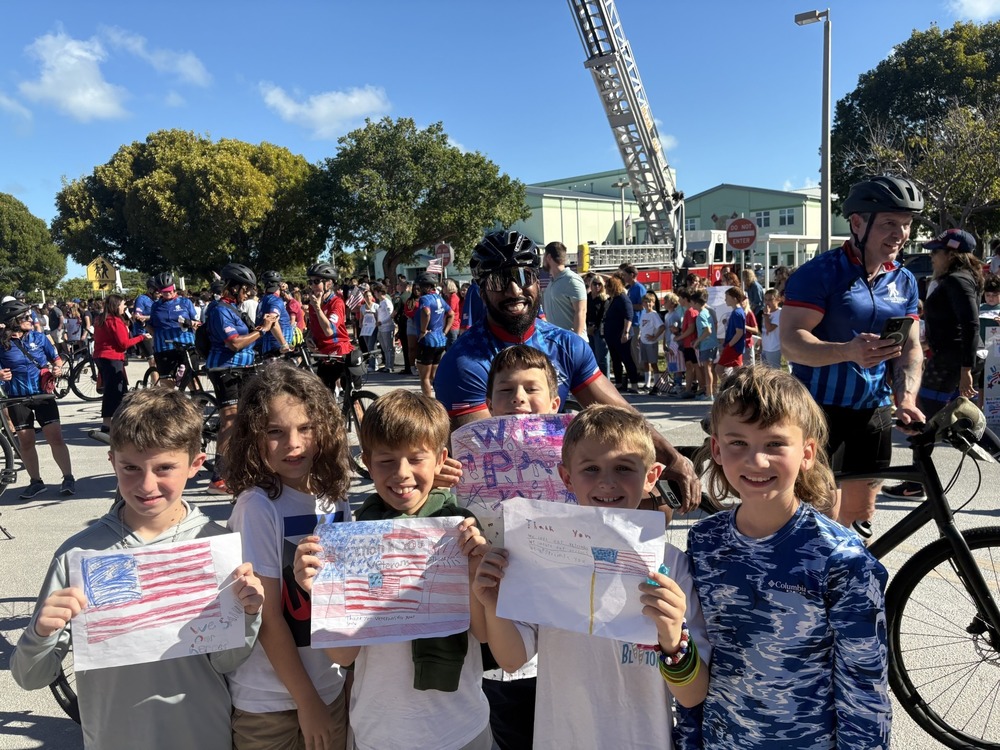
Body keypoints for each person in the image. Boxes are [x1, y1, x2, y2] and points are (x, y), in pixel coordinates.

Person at [11, 388, 265, 750]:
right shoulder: (79, 555)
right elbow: (31, 676)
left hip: (201, 734)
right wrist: (40, 632)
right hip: (113, 737)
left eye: (164, 468)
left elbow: (226, 661)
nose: (146, 484)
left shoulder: (214, 548)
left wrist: (248, 612)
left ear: (195, 465)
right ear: (112, 461)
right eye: (131, 468)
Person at [472, 405, 710, 749]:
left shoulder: (671, 566)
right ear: (566, 477)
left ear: (652, 476)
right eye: (591, 468)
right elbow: (512, 659)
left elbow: (692, 696)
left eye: (624, 468)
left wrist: (673, 640)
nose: (607, 482)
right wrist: (493, 603)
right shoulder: (542, 556)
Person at [690, 366, 890, 749]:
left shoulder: (842, 560)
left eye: (775, 444)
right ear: (716, 449)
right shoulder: (704, 544)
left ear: (807, 453)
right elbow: (698, 657)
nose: (756, 461)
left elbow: (865, 690)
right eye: (738, 443)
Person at [434, 230, 700, 510]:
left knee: (658, 506)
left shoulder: (566, 344)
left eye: (524, 277)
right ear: (481, 290)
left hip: (557, 472)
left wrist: (674, 459)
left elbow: (621, 416)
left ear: (537, 281)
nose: (514, 290)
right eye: (500, 281)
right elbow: (496, 458)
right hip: (502, 493)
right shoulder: (463, 362)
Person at [293, 389, 493, 750]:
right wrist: (318, 591)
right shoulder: (353, 537)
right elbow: (344, 655)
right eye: (386, 461)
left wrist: (475, 575)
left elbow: (483, 633)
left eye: (416, 459)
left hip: (460, 728)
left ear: (440, 459)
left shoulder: (463, 530)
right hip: (378, 730)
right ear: (367, 462)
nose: (402, 474)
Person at [781, 175, 925, 535]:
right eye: (890, 223)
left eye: (906, 224)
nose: (900, 234)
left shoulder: (904, 280)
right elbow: (792, 341)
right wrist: (847, 351)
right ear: (857, 223)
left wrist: (906, 398)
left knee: (861, 514)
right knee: (821, 513)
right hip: (818, 411)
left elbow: (910, 346)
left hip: (873, 411)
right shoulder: (820, 273)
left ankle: (852, 583)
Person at [224, 362, 352, 750]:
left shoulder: (336, 498)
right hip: (270, 702)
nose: (293, 444)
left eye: (305, 429)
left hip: (330, 685)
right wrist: (307, 700)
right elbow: (267, 617)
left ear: (325, 430)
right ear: (254, 439)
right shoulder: (257, 507)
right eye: (276, 432)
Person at [474, 345, 561, 749]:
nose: (519, 398)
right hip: (503, 642)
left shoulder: (579, 463)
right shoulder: (467, 466)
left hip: (565, 644)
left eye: (532, 387)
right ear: (489, 404)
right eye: (506, 390)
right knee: (513, 733)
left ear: (555, 403)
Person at [883, 229, 984, 500]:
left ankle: (916, 484)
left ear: (952, 255)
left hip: (949, 365)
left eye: (936, 252)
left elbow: (971, 325)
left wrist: (966, 371)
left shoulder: (957, 281)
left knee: (922, 421)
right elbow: (953, 324)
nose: (932, 257)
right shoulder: (959, 279)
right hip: (947, 359)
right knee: (966, 423)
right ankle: (917, 482)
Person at [204, 263, 278, 495]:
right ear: (233, 287)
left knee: (255, 417)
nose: (248, 294)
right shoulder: (219, 310)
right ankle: (218, 477)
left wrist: (262, 329)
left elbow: (248, 336)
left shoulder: (235, 308)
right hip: (225, 369)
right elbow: (234, 343)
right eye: (245, 289)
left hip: (246, 368)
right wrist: (263, 330)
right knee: (231, 420)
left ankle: (250, 467)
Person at [0, 299, 74, 497]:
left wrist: (57, 367)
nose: (31, 319)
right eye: (25, 317)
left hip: (42, 395)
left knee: (55, 437)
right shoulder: (1, 344)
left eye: (30, 316)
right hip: (17, 398)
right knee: (26, 442)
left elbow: (55, 358)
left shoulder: (39, 338)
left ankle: (68, 478)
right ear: (12, 321)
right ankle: (36, 482)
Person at [90, 293, 152, 443]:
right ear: (116, 305)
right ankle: (113, 424)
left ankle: (110, 423)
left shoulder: (100, 319)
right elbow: (123, 344)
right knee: (117, 391)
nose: (125, 307)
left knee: (113, 390)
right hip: (112, 357)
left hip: (101, 356)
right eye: (123, 304)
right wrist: (142, 337)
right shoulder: (115, 321)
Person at [304, 262, 359, 395]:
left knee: (350, 395)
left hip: (340, 352)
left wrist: (318, 308)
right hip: (324, 354)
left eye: (316, 281)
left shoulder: (337, 303)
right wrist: (309, 338)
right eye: (310, 282)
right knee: (323, 396)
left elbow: (329, 330)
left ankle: (357, 412)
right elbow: (314, 328)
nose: (312, 285)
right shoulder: (313, 304)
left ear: (328, 283)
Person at [147, 272, 198, 385]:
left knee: (192, 382)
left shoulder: (185, 302)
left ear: (174, 287)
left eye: (170, 290)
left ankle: (198, 401)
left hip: (186, 345)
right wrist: (156, 337)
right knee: (167, 385)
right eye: (164, 291)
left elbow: (198, 323)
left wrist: (190, 323)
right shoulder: (156, 305)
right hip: (164, 348)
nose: (167, 293)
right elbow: (150, 325)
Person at [602, 273, 641, 394]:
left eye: (607, 287)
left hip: (621, 334)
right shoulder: (613, 300)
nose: (606, 290)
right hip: (611, 335)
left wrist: (626, 332)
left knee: (626, 358)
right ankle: (618, 383)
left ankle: (634, 384)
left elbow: (628, 317)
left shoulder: (623, 299)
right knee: (615, 359)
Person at [415, 272, 453, 398]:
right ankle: (441, 399)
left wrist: (422, 330)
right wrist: (445, 331)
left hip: (428, 341)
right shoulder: (439, 297)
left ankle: (429, 404)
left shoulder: (424, 299)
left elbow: (426, 312)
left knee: (424, 377)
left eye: (419, 287)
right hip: (440, 340)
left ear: (424, 286)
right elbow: (451, 314)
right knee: (434, 376)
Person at [542, 241, 587, 338]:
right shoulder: (551, 283)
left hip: (572, 343)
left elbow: (581, 311)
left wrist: (575, 341)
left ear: (548, 257)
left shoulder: (572, 279)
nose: (542, 261)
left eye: (543, 256)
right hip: (556, 342)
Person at [257, 271, 293, 358]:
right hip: (277, 347)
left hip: (269, 344)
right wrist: (284, 344)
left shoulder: (264, 299)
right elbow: (272, 320)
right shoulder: (275, 300)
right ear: (279, 286)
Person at [691, 288, 717, 402]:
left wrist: (697, 341)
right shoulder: (706, 311)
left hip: (707, 345)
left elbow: (708, 330)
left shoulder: (701, 315)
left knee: (707, 370)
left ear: (696, 303)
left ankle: (709, 393)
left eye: (692, 302)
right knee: (711, 369)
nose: (691, 305)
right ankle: (712, 392)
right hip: (711, 344)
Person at [131, 278, 159, 386]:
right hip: (143, 332)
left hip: (155, 332)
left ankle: (155, 382)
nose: (159, 294)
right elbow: (137, 316)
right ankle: (156, 387)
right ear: (151, 289)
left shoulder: (157, 301)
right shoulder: (142, 299)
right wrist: (150, 317)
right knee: (153, 361)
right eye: (157, 291)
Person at [716, 286, 746, 377]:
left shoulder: (737, 313)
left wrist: (729, 345)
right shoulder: (738, 311)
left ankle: (729, 386)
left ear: (734, 298)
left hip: (733, 346)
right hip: (735, 346)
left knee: (719, 369)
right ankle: (736, 387)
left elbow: (739, 332)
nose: (725, 300)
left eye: (727, 297)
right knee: (737, 371)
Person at [637, 291, 664, 391]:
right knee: (645, 363)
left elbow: (662, 327)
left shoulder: (654, 315)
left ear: (653, 303)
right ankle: (647, 384)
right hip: (643, 342)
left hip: (651, 343)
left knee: (653, 363)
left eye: (650, 302)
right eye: (645, 302)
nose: (647, 304)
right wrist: (639, 336)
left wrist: (654, 337)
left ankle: (657, 384)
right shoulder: (644, 314)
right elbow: (642, 327)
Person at [585, 274, 610, 376]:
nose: (597, 286)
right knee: (592, 357)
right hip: (587, 328)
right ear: (591, 284)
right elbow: (583, 312)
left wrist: (594, 327)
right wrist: (587, 327)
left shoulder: (604, 299)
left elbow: (602, 315)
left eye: (599, 284)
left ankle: (605, 378)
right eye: (595, 283)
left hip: (599, 329)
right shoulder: (587, 297)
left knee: (602, 357)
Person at [373, 282, 396, 373]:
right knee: (385, 348)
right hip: (381, 328)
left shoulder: (387, 302)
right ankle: (387, 364)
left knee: (389, 347)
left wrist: (381, 322)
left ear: (379, 292)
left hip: (387, 327)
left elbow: (391, 315)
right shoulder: (381, 302)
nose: (375, 294)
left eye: (375, 292)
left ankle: (390, 366)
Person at [760, 288, 783, 369]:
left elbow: (769, 328)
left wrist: (766, 315)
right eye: (765, 299)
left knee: (774, 374)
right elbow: (764, 331)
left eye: (770, 299)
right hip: (766, 347)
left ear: (778, 300)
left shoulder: (780, 313)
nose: (767, 302)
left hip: (774, 348)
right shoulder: (767, 312)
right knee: (765, 374)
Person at [442, 278, 462, 349]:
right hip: (452, 326)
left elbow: (450, 312)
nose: (442, 288)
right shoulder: (451, 297)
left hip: (452, 326)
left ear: (448, 287)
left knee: (451, 348)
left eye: (443, 286)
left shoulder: (453, 298)